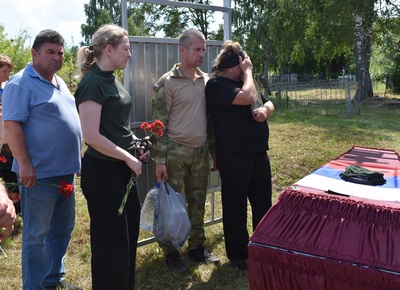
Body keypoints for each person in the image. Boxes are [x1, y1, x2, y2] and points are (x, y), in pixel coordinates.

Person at [2, 30, 82, 290]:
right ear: (34, 53)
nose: (56, 57)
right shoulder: (20, 82)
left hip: (64, 171)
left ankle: (52, 278)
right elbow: (12, 125)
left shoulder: (59, 81)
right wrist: (25, 165)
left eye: (60, 53)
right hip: (38, 174)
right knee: (36, 235)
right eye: (50, 52)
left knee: (63, 227)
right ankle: (34, 286)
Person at [74, 24, 144, 290]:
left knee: (126, 240)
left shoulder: (111, 77)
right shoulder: (92, 82)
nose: (129, 54)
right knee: (110, 247)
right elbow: (91, 136)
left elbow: (115, 127)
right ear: (109, 49)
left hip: (121, 170)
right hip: (104, 174)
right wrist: (127, 156)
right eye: (126, 48)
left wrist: (134, 144)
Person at [152, 29, 220, 272]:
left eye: (203, 49)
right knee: (174, 206)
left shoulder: (206, 81)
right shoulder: (167, 82)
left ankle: (196, 248)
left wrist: (212, 150)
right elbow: (159, 125)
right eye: (197, 49)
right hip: (175, 154)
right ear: (182, 50)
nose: (202, 54)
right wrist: (160, 160)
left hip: (200, 151)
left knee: (198, 201)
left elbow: (210, 119)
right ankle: (172, 252)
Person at [205, 40, 274, 271]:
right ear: (234, 66)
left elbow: (269, 102)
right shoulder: (216, 84)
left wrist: (265, 110)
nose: (246, 68)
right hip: (233, 155)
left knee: (263, 203)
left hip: (258, 152)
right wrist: (249, 73)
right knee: (235, 206)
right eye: (243, 65)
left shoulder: (246, 82)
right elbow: (246, 97)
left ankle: (263, 246)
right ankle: (238, 255)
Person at [0, 54, 20, 213]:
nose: (7, 75)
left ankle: (16, 207)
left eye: (8, 72)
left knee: (11, 172)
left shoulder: (8, 87)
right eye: (5, 71)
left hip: (7, 137)